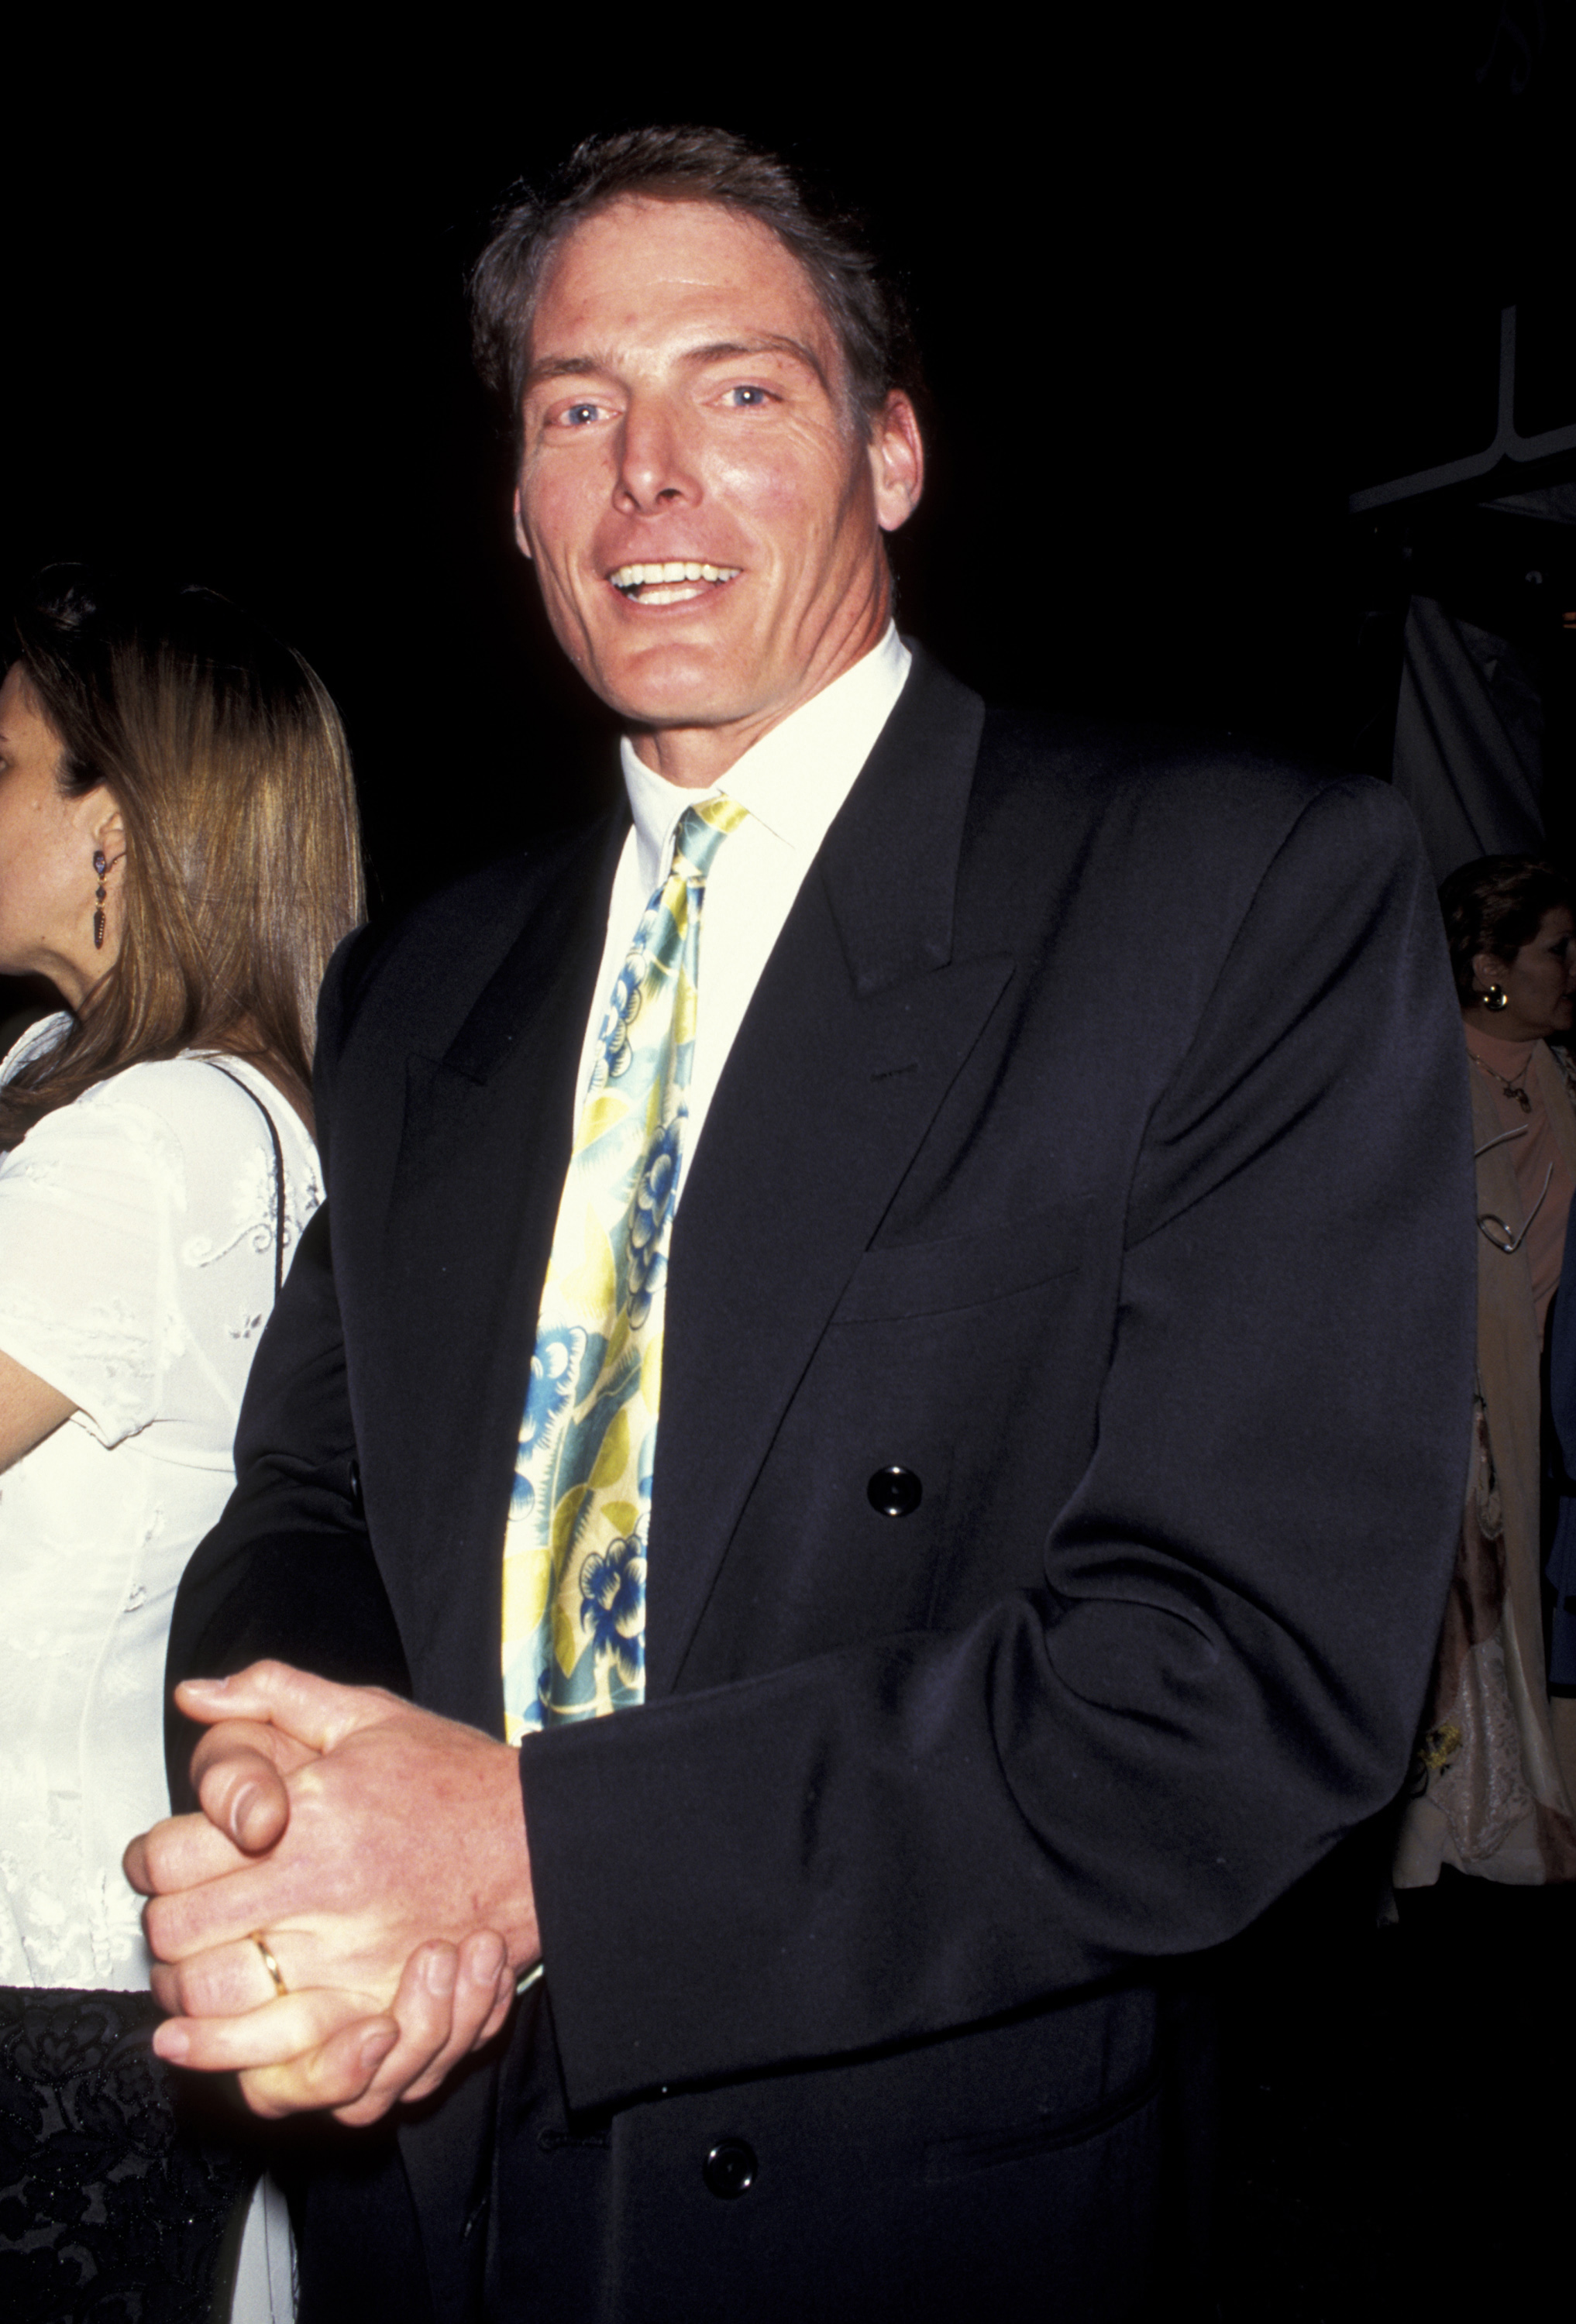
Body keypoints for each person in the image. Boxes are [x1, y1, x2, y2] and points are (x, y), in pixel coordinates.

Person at [128, 129, 1476, 2322]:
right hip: (427, 2182)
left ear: (894, 452)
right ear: (517, 500)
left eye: (737, 391)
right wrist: (311, 1811)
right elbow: (309, 1491)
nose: (648, 476)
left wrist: (536, 1855)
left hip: (911, 2199)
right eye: (578, 410)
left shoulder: (1221, 899)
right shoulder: (421, 986)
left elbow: (1236, 1688)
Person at [0, 569, 363, 2319]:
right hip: (130, 1952)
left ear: (118, 831)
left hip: (43, 1984)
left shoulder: (139, 1147)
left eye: (2, 766)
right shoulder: (247, 1110)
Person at [1395, 854, 1576, 1888]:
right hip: (1441, 1412)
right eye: (1555, 949)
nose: (1571, 969)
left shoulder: (1554, 1080)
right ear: (1487, 966)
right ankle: (1450, 1826)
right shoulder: (1419, 1083)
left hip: (1536, 1408)